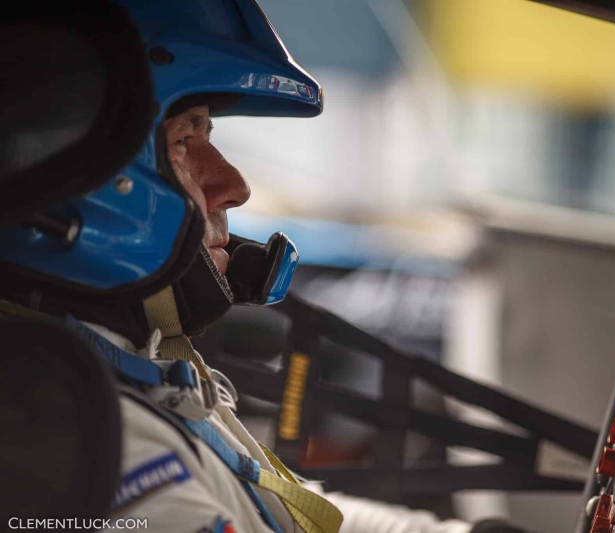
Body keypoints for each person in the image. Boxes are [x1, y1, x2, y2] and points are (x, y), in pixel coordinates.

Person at [0, 1, 528, 532]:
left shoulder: (125, 367)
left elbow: (286, 504)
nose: (233, 185)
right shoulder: (74, 430)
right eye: (185, 139)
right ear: (85, 168)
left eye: (209, 132)